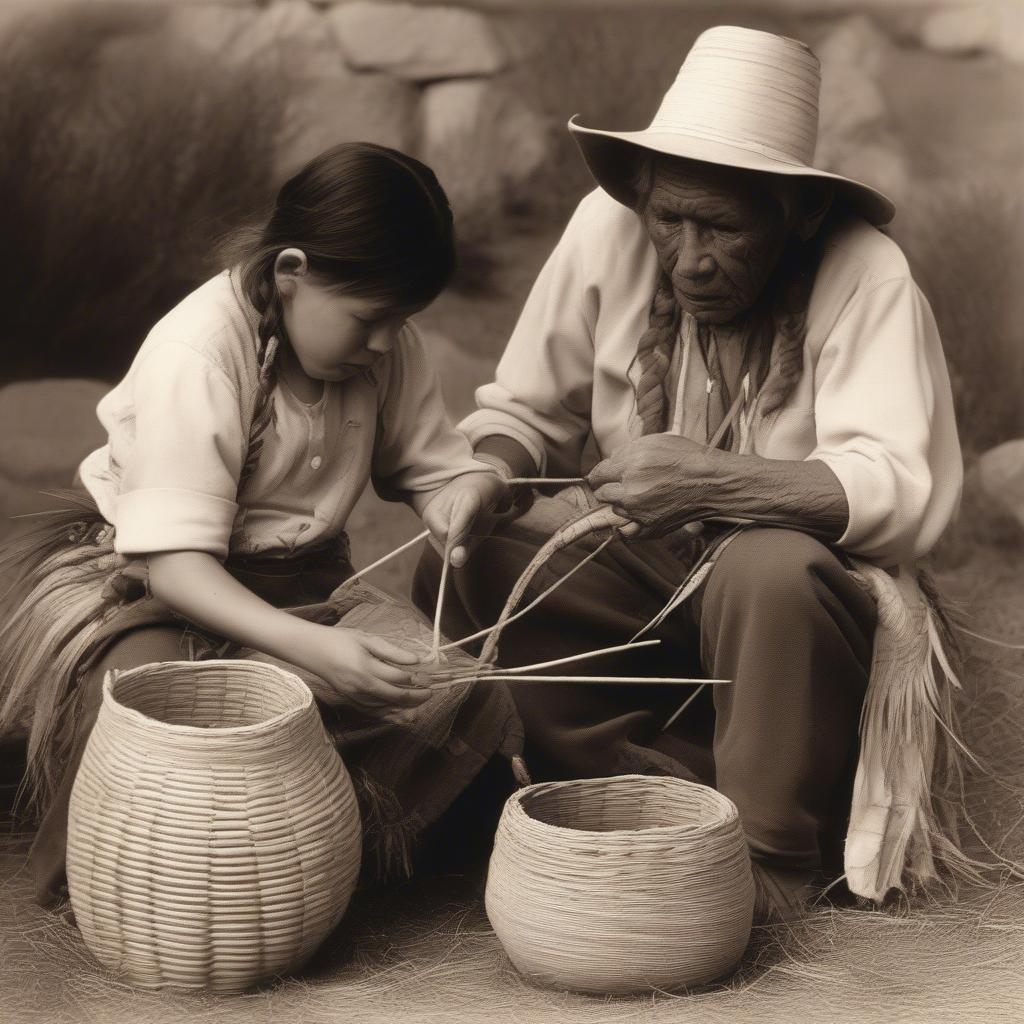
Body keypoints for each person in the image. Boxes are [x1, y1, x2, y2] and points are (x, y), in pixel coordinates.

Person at [414, 26, 965, 916]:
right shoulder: (608, 227)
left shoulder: (869, 273)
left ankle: (767, 859)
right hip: (644, 576)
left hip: (797, 615)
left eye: (723, 227)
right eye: (670, 219)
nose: (689, 255)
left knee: (766, 563)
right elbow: (528, 411)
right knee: (472, 554)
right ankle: (639, 795)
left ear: (800, 214)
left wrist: (712, 483)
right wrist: (483, 476)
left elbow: (901, 491)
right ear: (642, 198)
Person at [0, 141, 519, 905]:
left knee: (453, 691)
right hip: (156, 586)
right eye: (369, 318)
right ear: (292, 272)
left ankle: (314, 853)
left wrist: (459, 496)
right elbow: (177, 569)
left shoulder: (384, 345)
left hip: (301, 586)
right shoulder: (200, 351)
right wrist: (315, 648)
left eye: (401, 319)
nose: (385, 342)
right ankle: (148, 886)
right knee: (154, 710)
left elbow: (434, 466)